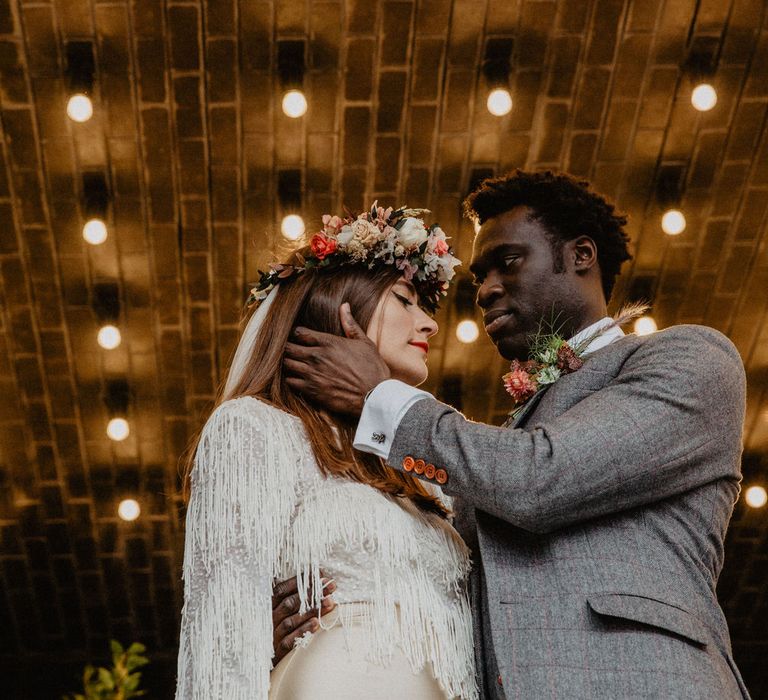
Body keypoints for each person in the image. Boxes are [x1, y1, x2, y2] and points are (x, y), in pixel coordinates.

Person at [279, 170, 751, 699]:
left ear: (581, 255)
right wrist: (329, 616)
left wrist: (379, 398)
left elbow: (538, 479)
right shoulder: (496, 447)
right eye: (478, 277)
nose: (484, 291)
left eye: (507, 262)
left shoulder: (689, 359)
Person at [174, 203, 478, 699]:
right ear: (341, 307)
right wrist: (261, 647)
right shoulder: (254, 428)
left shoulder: (418, 472)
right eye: (405, 299)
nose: (429, 325)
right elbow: (219, 629)